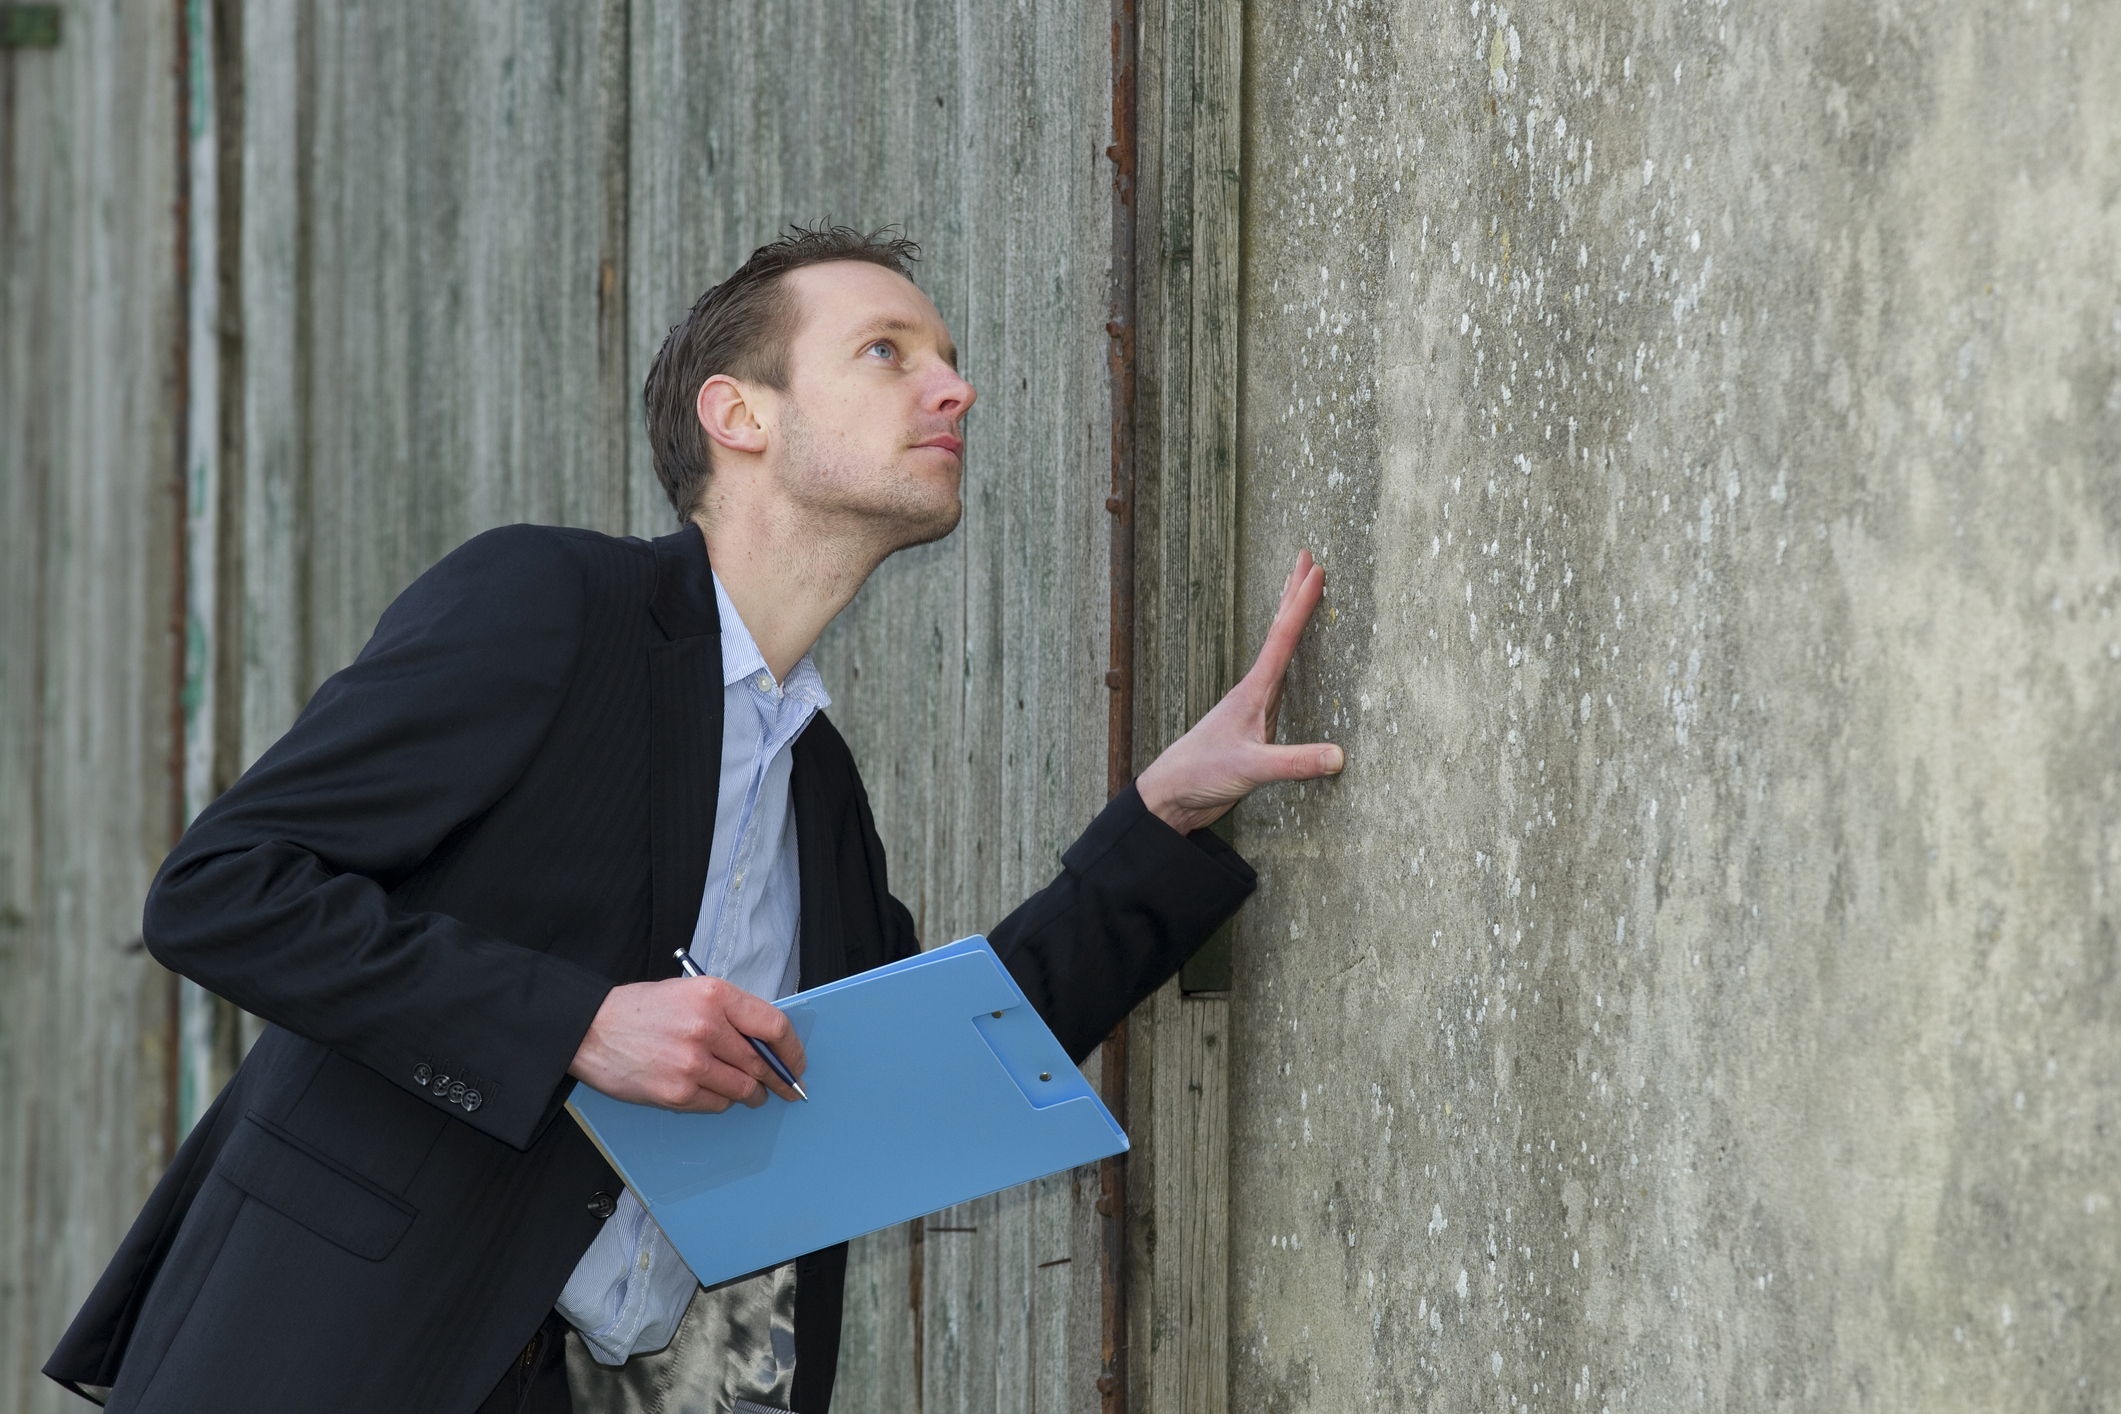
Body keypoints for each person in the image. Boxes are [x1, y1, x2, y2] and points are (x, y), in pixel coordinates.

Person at [44, 226, 1343, 1413]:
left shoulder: (815, 784)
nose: (952, 388)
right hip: (335, 1356)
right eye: (886, 353)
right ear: (738, 414)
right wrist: (580, 1025)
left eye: (949, 359)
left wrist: (1162, 815)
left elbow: (910, 1081)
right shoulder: (552, 602)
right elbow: (221, 888)